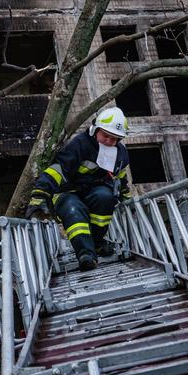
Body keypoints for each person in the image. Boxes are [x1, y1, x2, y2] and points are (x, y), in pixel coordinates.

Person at [25, 107, 133, 271]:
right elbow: (57, 170)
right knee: (73, 209)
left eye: (115, 139)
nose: (110, 142)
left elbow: (121, 177)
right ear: (95, 129)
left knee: (106, 197)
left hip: (95, 191)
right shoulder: (80, 144)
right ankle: (86, 255)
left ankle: (96, 242)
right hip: (66, 192)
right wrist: (39, 195)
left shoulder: (120, 153)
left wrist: (127, 199)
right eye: (106, 136)